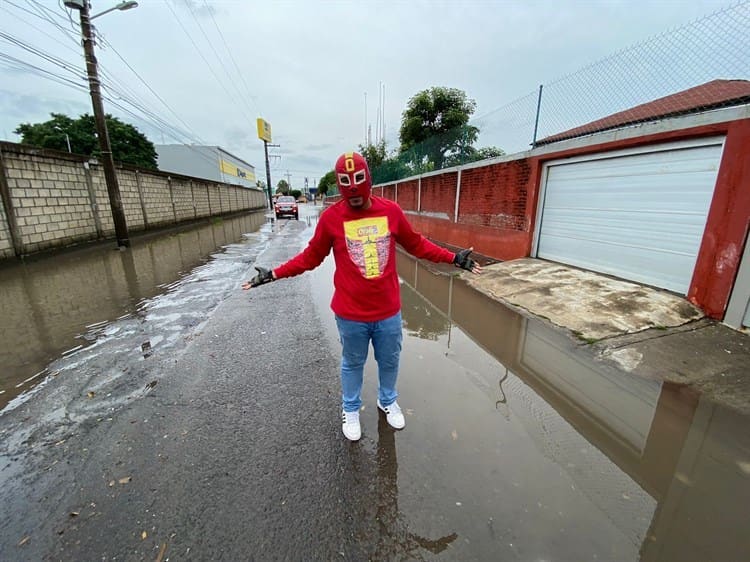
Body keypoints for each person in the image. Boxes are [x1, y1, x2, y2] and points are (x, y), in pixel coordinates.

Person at [242, 152, 482, 441]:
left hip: (388, 312)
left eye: (358, 190)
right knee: (352, 363)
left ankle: (387, 400)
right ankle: (351, 408)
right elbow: (310, 258)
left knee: (390, 360)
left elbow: (417, 245)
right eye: (347, 191)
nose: (353, 198)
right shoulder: (331, 218)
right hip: (350, 314)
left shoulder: (391, 212)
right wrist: (275, 274)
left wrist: (453, 258)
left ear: (368, 181)